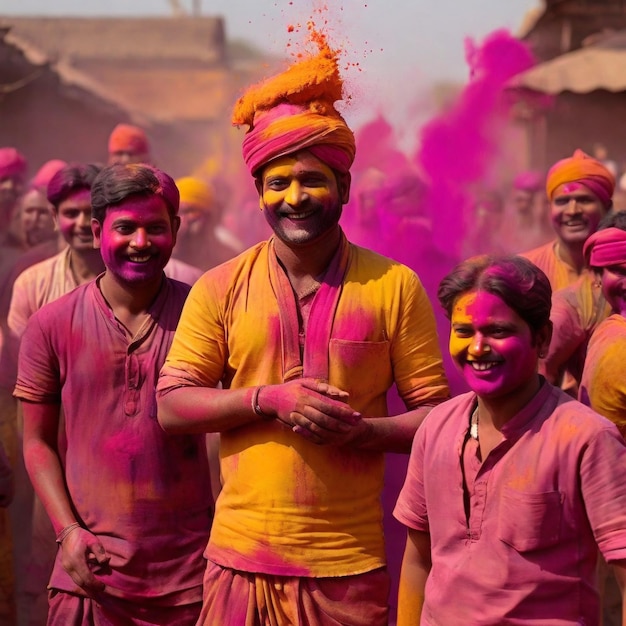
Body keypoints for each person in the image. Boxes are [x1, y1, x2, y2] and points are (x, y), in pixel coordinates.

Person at [157, 32, 449, 626]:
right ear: (259, 193)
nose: (295, 197)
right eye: (278, 182)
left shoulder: (395, 285)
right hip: (239, 560)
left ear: (343, 187)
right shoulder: (220, 286)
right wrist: (267, 399)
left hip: (348, 567)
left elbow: (436, 420)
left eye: (312, 180)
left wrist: (362, 432)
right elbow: (170, 405)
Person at [14, 163, 213, 625]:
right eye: (125, 228)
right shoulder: (51, 323)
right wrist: (68, 532)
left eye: (155, 228)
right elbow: (36, 442)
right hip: (89, 570)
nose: (140, 243)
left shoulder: (206, 314)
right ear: (99, 229)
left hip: (191, 574)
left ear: (176, 231)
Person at [394, 255, 626, 626]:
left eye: (498, 331)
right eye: (464, 331)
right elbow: (418, 560)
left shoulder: (587, 439)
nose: (477, 348)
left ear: (543, 338)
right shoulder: (436, 428)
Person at [7, 163, 104, 626]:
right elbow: (21, 375)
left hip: (111, 435)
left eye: (91, 212)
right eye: (70, 213)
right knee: (43, 540)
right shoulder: (32, 281)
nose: (82, 224)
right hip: (46, 427)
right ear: (52, 216)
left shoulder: (136, 270)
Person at [521, 149, 614, 291]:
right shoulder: (524, 271)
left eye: (584, 200)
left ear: (607, 207)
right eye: (562, 201)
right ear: (550, 207)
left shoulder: (619, 272)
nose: (572, 211)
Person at [173, 176, 243, 270]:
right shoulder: (164, 257)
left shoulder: (230, 256)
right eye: (177, 212)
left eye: (189, 211)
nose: (182, 219)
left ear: (209, 215)